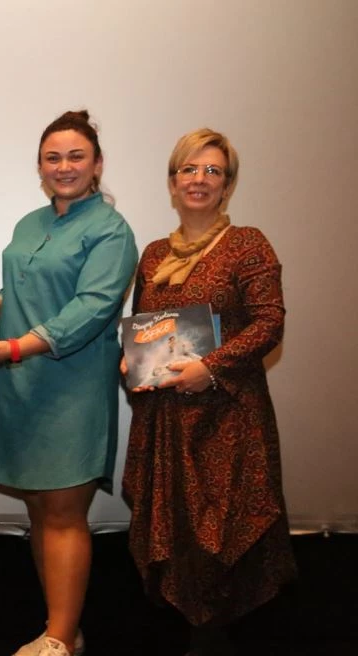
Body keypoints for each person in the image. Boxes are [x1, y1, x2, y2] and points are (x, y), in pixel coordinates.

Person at [0, 110, 137, 656]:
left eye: (76, 156)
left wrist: (12, 347)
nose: (64, 166)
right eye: (52, 157)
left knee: (63, 516)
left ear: (97, 164)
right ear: (40, 166)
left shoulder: (111, 231)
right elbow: (27, 292)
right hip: (22, 387)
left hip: (72, 389)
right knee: (40, 513)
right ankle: (63, 630)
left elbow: (91, 309)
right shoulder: (30, 224)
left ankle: (58, 638)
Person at [121, 128, 297, 655]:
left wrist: (211, 369)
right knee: (173, 534)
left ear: (227, 184)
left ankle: (219, 640)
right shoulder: (154, 254)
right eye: (189, 169)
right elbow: (143, 327)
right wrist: (130, 359)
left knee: (225, 536)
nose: (199, 179)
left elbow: (269, 323)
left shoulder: (248, 244)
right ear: (172, 182)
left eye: (212, 171)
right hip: (165, 423)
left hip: (228, 422)